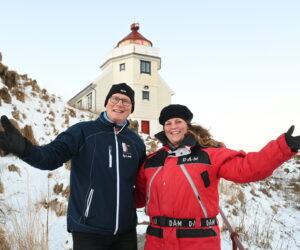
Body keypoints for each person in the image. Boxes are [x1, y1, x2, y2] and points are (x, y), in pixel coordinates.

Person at [0, 83, 146, 250]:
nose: (120, 104)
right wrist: (26, 150)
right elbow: (51, 157)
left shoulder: (135, 142)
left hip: (126, 233)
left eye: (126, 101)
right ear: (106, 103)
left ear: (131, 109)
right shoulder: (83, 132)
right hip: (89, 231)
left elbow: (144, 180)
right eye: (115, 98)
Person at [134, 104, 300, 250]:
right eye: (168, 123)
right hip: (157, 241)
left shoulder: (209, 154)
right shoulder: (151, 161)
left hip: (198, 241)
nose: (173, 127)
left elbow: (248, 168)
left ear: (188, 125)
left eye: (178, 121)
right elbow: (139, 198)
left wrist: (283, 147)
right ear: (164, 128)